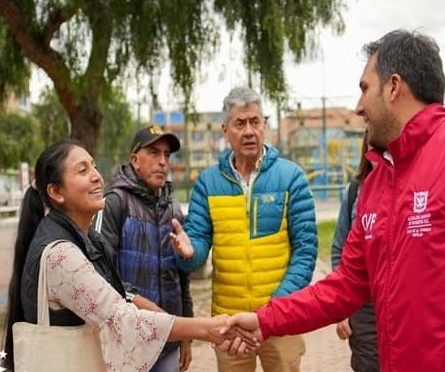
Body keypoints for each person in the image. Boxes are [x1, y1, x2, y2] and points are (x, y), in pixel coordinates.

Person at [221, 30, 445, 371]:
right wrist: (265, 320)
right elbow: (346, 285)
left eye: (365, 88)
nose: (358, 106)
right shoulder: (377, 180)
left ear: (394, 87)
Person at [3, 140, 250, 371]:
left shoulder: (90, 237)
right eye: (82, 170)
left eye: (94, 166)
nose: (97, 176)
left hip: (163, 332)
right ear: (56, 192)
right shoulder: (63, 253)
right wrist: (206, 328)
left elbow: (134, 285)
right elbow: (121, 319)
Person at [171, 86, 318, 371]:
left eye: (255, 121)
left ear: (265, 126)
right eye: (240, 123)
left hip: (281, 319)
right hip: (229, 324)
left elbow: (306, 252)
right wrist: (188, 253)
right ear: (225, 130)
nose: (249, 131)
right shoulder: (207, 182)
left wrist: (274, 311)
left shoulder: (291, 177)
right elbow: (198, 244)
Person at [96, 125, 193, 372]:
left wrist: (185, 334)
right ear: (134, 160)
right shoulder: (114, 203)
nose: (162, 161)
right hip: (127, 340)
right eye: (153, 153)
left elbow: (182, 279)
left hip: (167, 340)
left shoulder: (173, 210)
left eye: (167, 155)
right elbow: (99, 273)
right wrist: (138, 304)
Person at [331, 134, 378, 372]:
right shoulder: (354, 192)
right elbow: (340, 249)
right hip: (364, 308)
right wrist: (342, 309)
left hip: (405, 305)